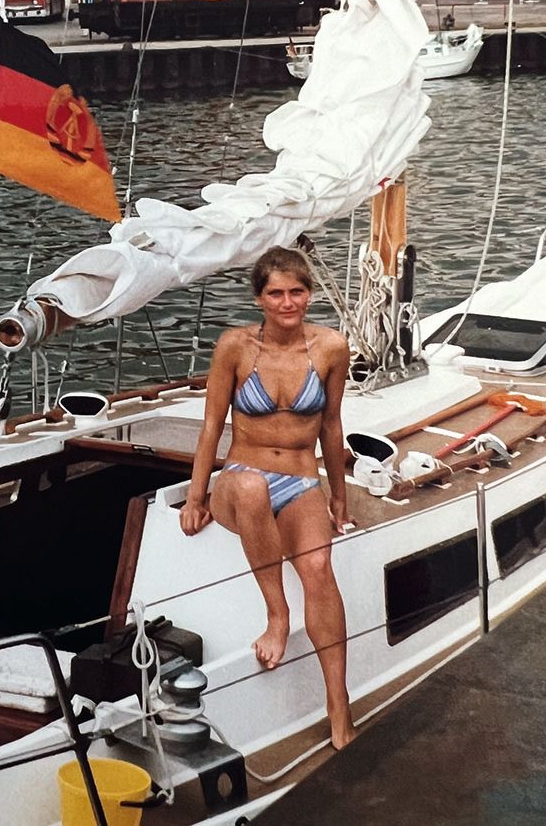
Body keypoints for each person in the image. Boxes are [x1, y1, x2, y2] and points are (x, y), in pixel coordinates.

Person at [180, 246, 356, 749]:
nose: (287, 302)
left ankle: (339, 706)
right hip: (241, 477)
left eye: (296, 291)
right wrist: (195, 497)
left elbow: (332, 425)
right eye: (276, 293)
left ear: (309, 294)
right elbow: (211, 425)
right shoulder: (235, 347)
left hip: (300, 480)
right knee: (253, 485)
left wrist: (338, 496)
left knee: (319, 568)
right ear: (259, 298)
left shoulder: (331, 348)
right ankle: (277, 616)